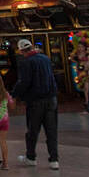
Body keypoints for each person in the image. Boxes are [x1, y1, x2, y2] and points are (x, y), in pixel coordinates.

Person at [11, 39, 60, 169]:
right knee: (51, 131)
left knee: (32, 131)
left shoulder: (26, 62)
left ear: (21, 51)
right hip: (51, 99)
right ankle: (54, 160)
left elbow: (24, 82)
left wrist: (14, 95)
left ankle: (31, 157)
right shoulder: (45, 59)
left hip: (35, 101)